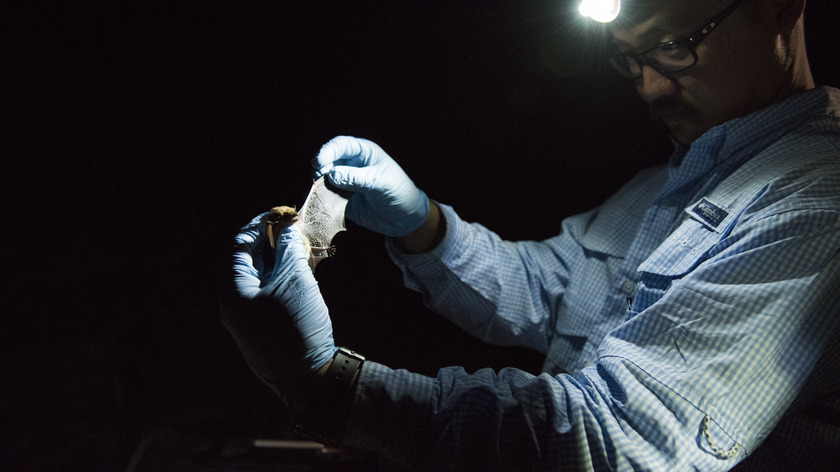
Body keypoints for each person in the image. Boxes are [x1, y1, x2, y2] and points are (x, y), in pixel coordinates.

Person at [220, 0, 840, 470]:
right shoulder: (668, 180)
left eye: (675, 46)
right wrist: (423, 225)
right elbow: (547, 289)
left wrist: (330, 388)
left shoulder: (817, 203)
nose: (649, 87)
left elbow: (615, 439)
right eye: (630, 59)